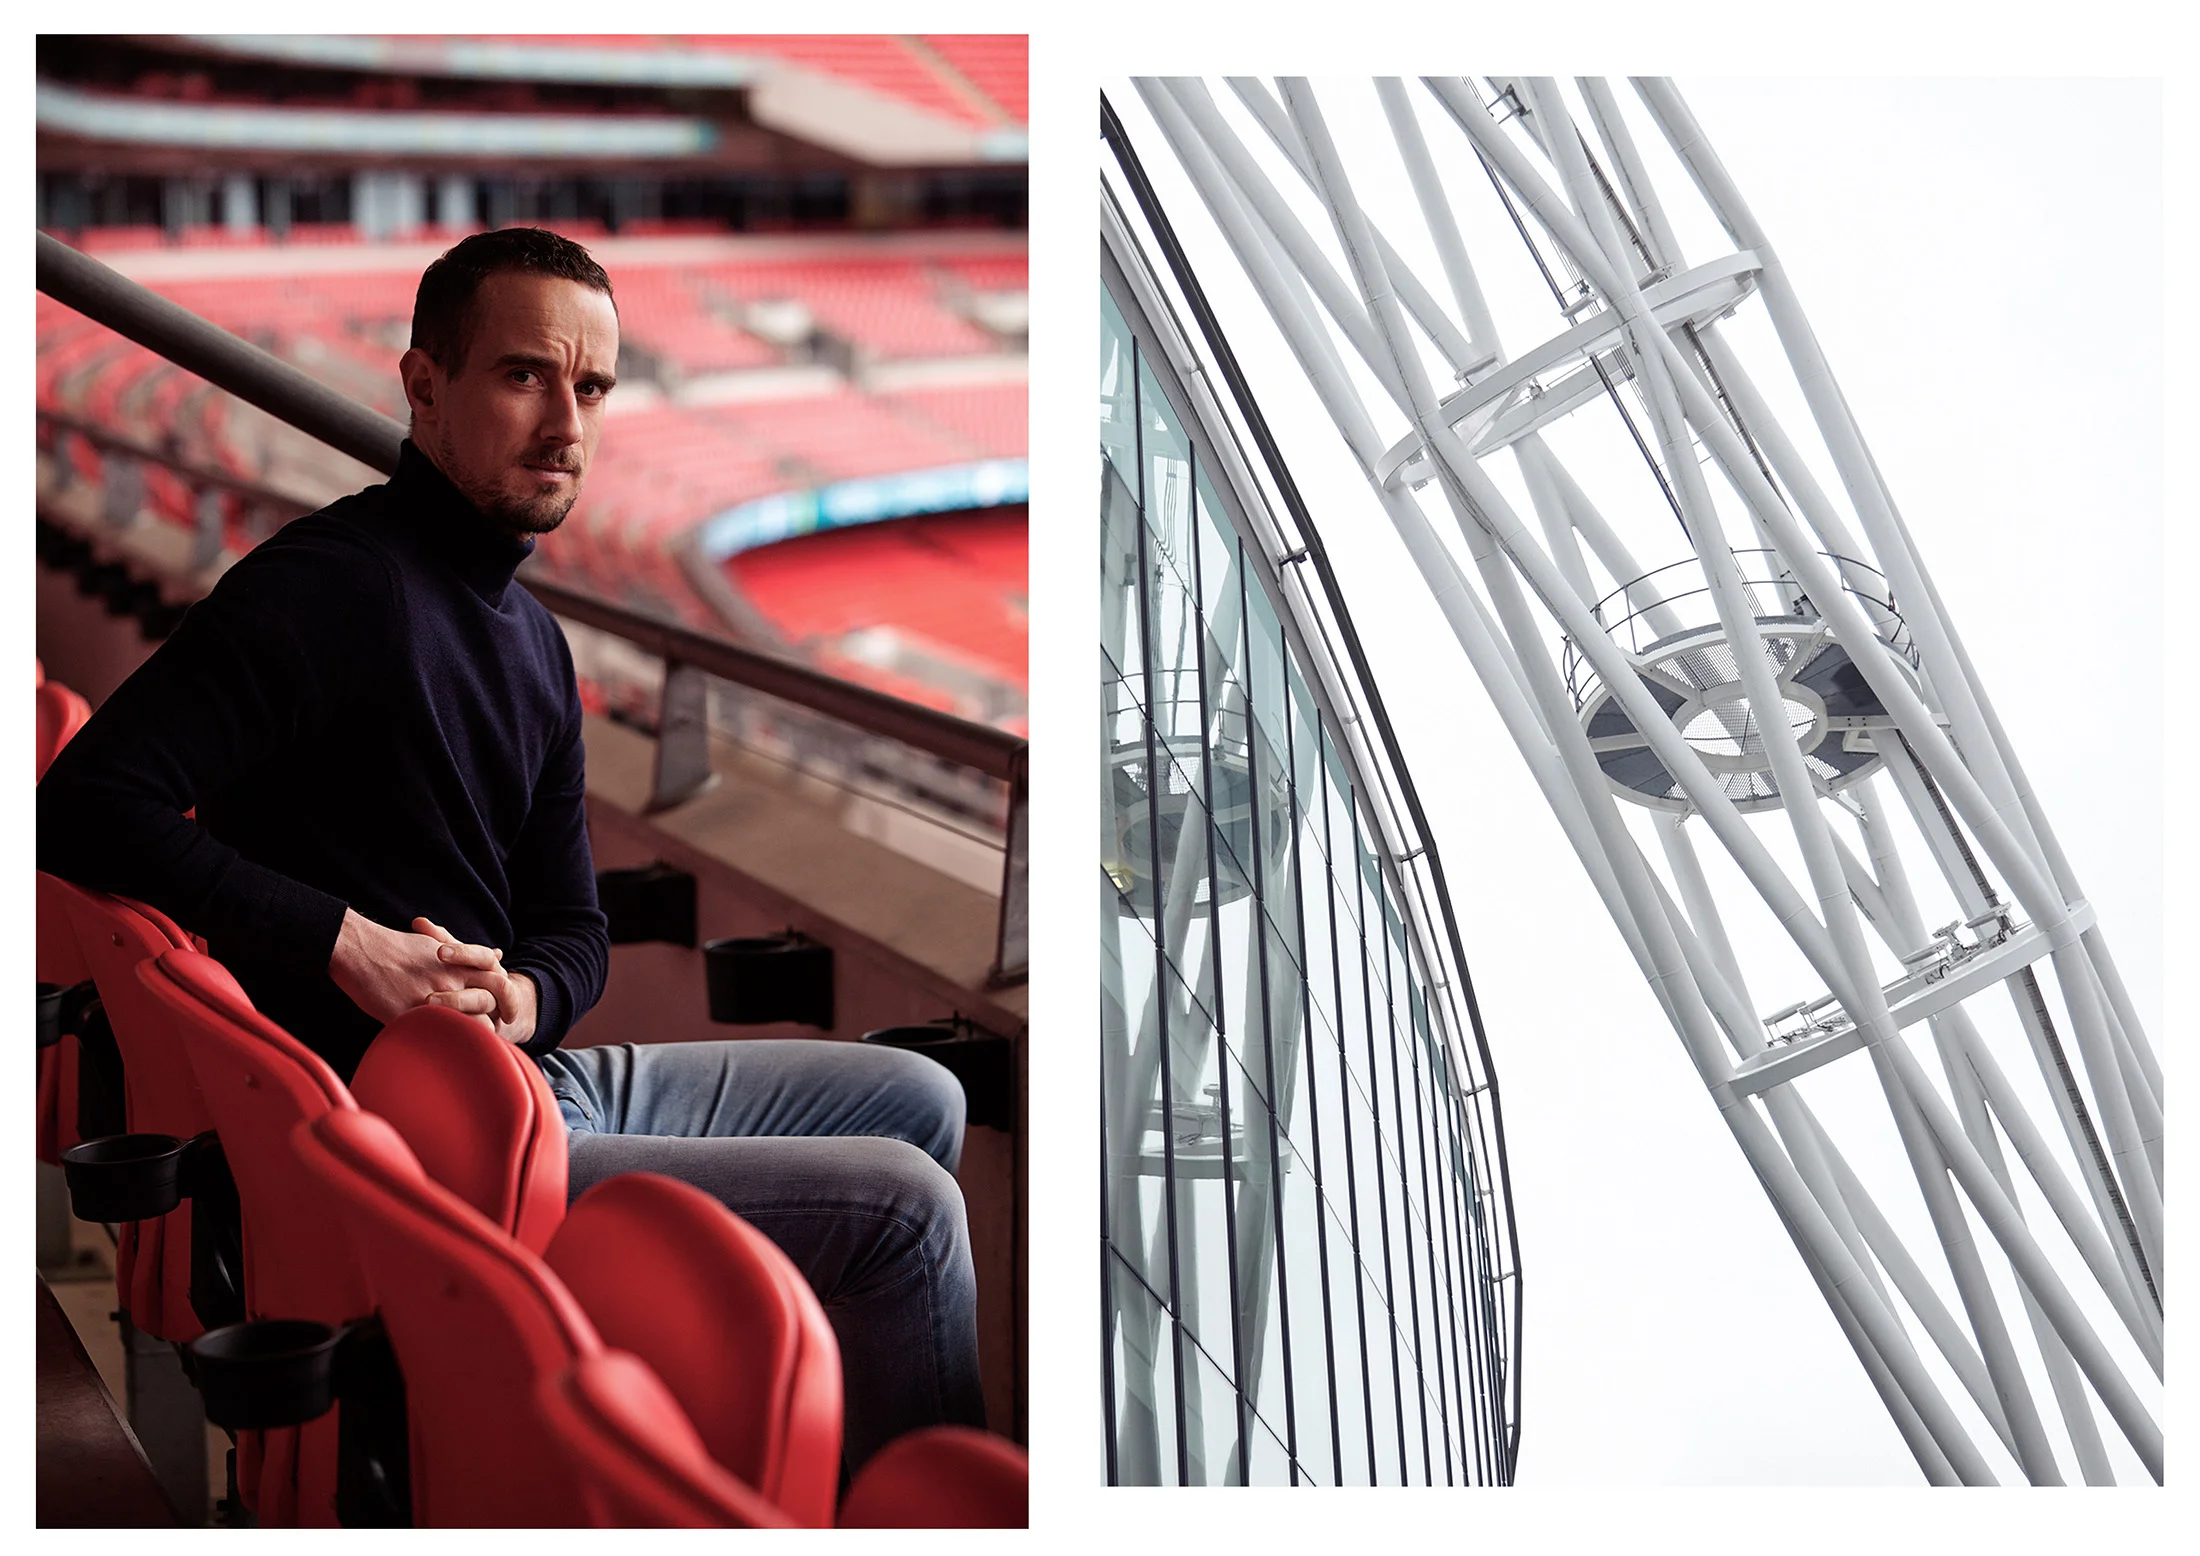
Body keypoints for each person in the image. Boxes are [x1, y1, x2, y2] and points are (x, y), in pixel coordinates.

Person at [36, 227, 985, 1471]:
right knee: (910, 1217)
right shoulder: (329, 585)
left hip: (523, 1073)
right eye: (525, 375)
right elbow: (86, 802)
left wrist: (528, 994)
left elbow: (574, 926)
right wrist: (344, 943)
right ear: (424, 384)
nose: (567, 425)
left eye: (590, 388)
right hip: (430, 1138)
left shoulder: (534, 641)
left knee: (925, 1091)